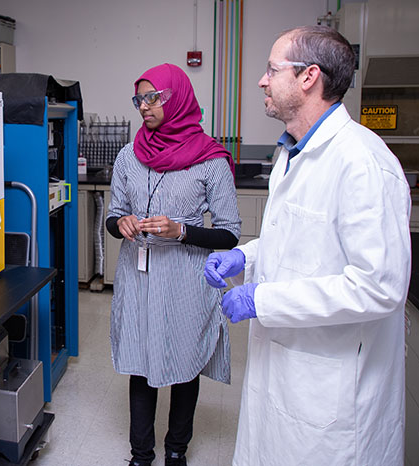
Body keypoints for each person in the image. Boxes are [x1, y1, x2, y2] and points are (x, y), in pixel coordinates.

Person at [204, 26, 411, 465]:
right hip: (283, 371)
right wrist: (246, 255)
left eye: (271, 69)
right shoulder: (292, 153)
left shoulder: (363, 164)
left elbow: (379, 287)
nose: (262, 80)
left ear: (308, 77)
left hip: (330, 393)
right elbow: (295, 240)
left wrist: (264, 299)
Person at [106, 63, 241, 466]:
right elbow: (113, 215)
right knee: (140, 361)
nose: (144, 106)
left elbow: (230, 233)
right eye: (139, 99)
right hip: (138, 276)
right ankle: (140, 455)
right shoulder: (130, 156)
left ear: (176, 97)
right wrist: (122, 223)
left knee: (184, 364)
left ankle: (177, 449)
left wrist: (181, 231)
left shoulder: (210, 160)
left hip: (185, 280)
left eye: (153, 97)